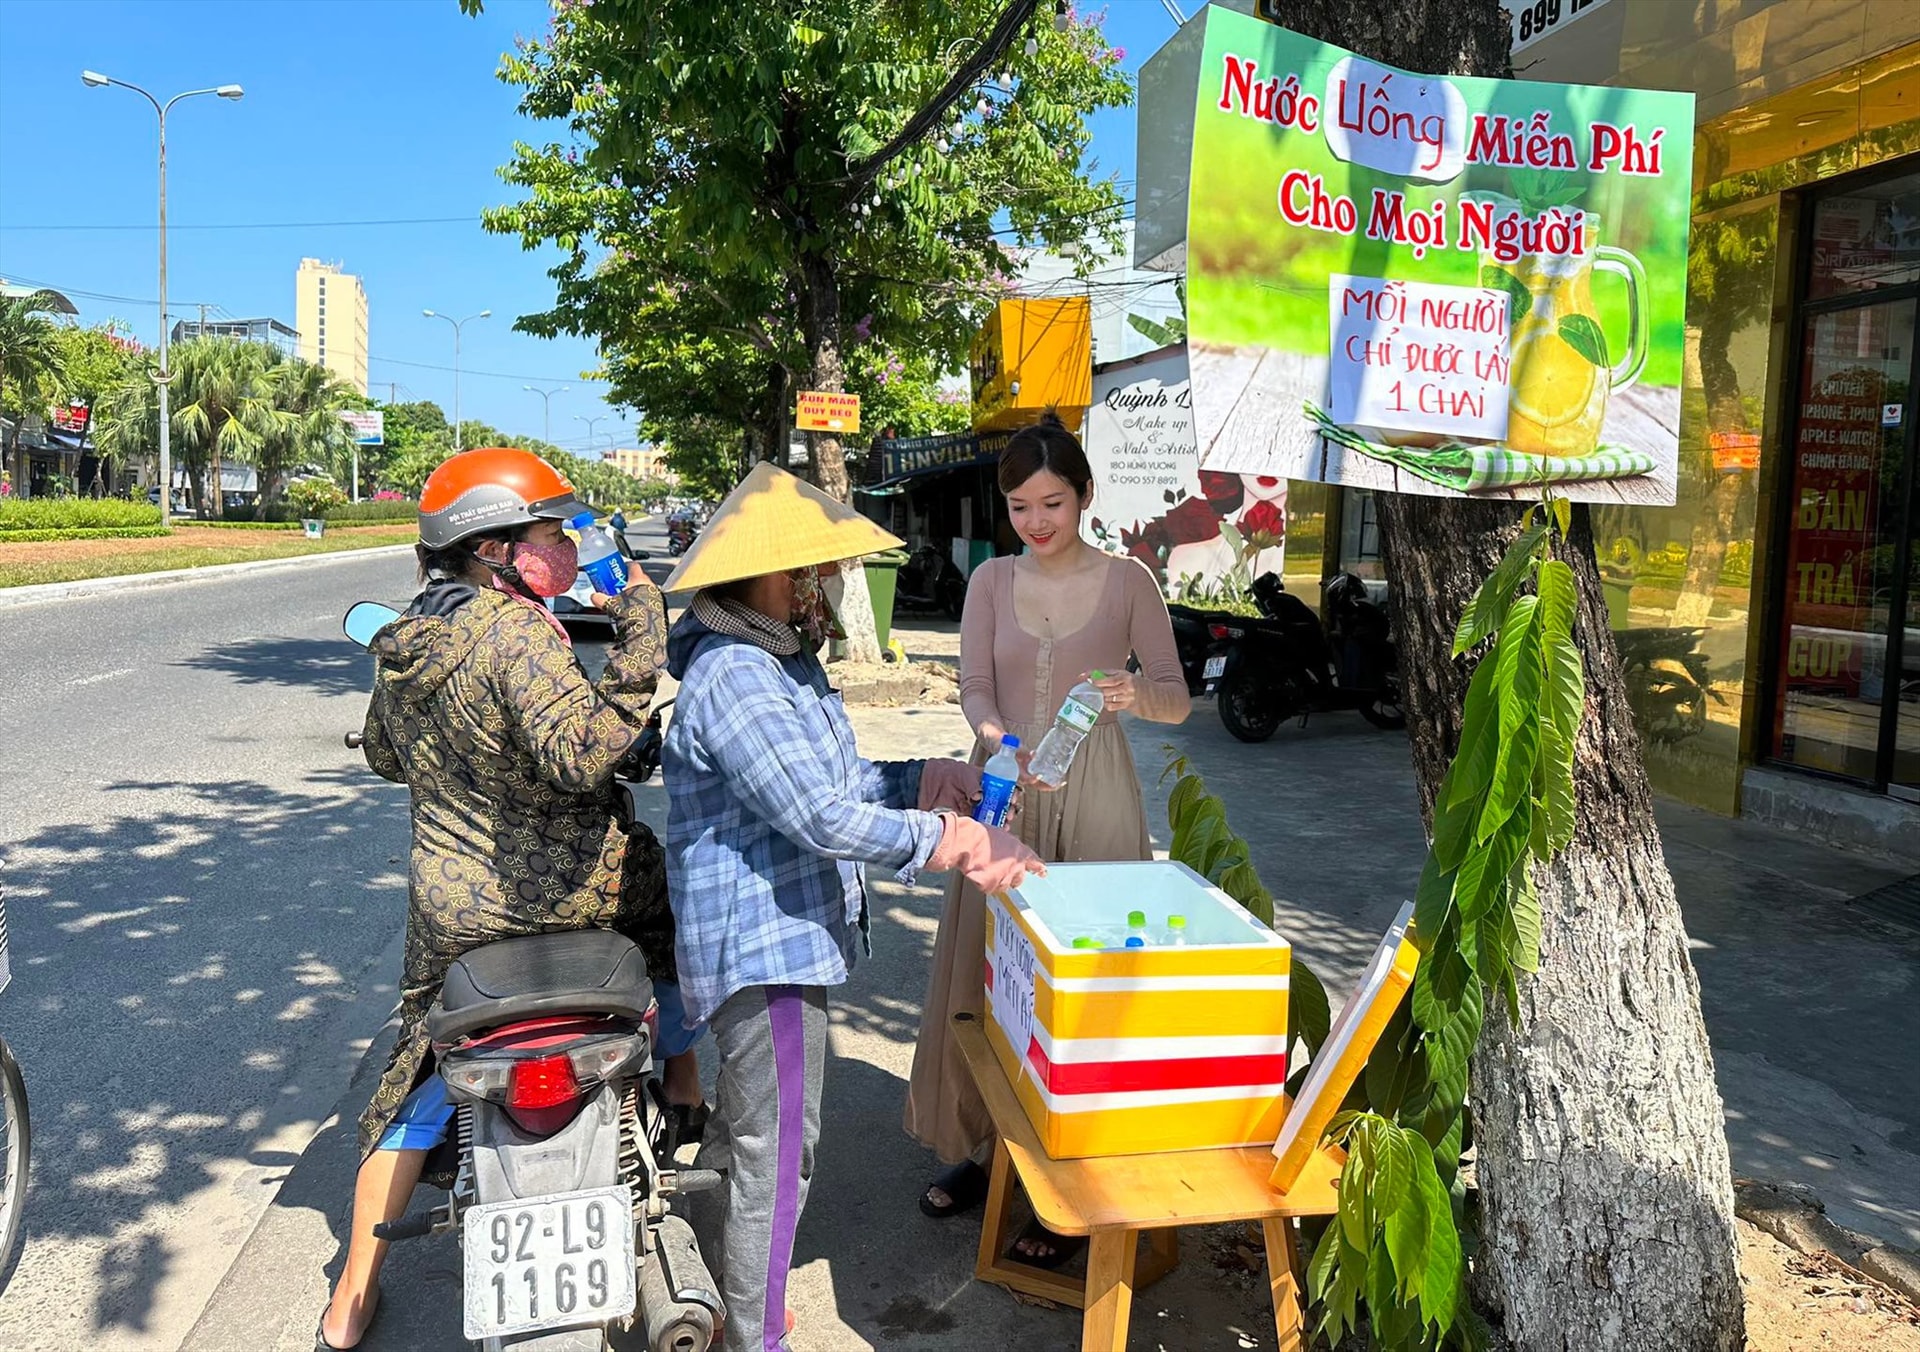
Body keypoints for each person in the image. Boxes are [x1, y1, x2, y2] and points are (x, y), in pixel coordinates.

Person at [318, 447, 697, 1351]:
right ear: (495, 549)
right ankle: (681, 1082)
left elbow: (382, 754)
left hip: (454, 918)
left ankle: (351, 1294)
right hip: (570, 897)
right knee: (671, 917)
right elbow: (581, 753)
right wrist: (642, 626)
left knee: (418, 1059)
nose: (567, 544)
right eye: (549, 531)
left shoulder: (407, 641)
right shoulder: (514, 631)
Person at [660, 462, 1044, 1352]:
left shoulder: (776, 658)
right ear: (761, 576)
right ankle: (755, 1334)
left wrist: (924, 781)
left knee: (752, 1132)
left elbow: (836, 782)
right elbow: (818, 816)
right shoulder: (737, 675)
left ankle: (724, 1281)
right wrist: (951, 843)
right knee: (779, 1154)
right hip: (765, 947)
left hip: (782, 933)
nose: (822, 585)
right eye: (809, 571)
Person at [904, 413, 1192, 1265]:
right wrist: (996, 739)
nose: (1036, 520)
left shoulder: (1131, 581)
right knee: (988, 970)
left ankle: (1071, 1177)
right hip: (1002, 790)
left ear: (1085, 497)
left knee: (1080, 979)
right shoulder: (990, 581)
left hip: (1098, 793)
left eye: (1053, 503)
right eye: (1021, 504)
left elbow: (1177, 696)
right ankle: (982, 1148)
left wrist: (1134, 694)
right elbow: (973, 686)